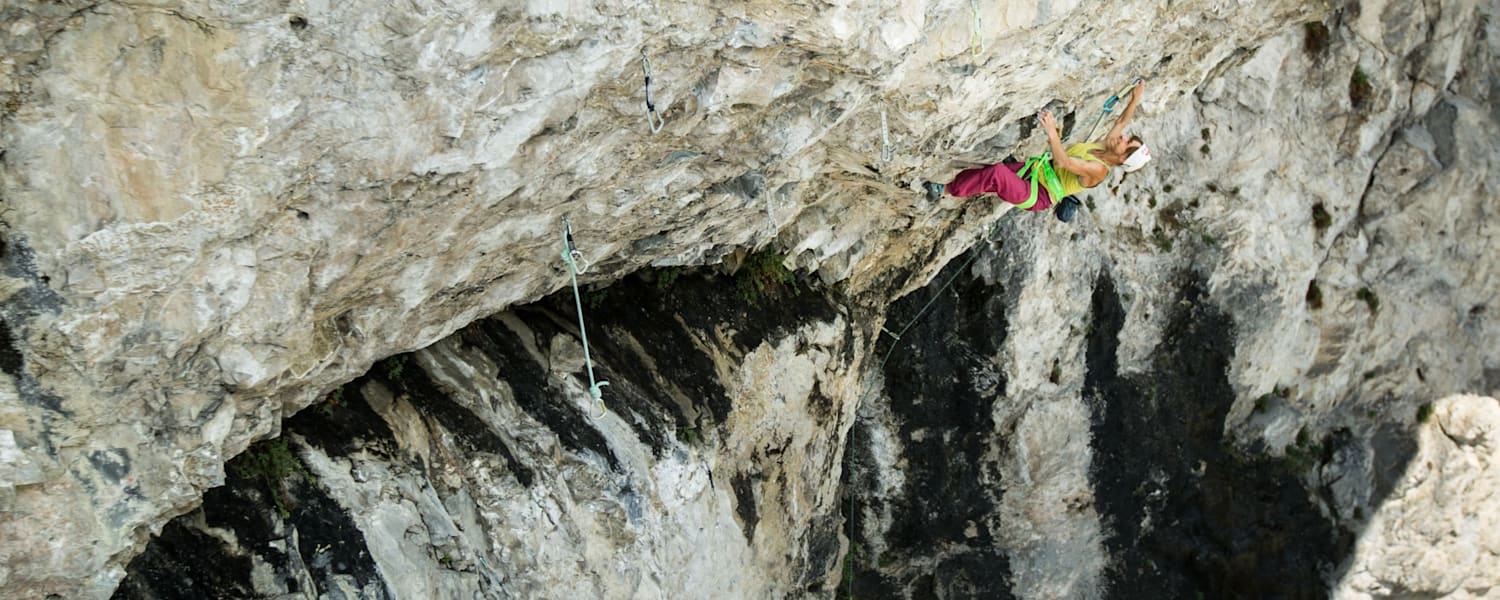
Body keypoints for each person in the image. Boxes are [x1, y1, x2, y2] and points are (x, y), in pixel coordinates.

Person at [923, 82, 1151, 221]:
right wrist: (1135, 97)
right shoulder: (1105, 147)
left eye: (1127, 143)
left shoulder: (1099, 170)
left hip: (1038, 195)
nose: (1123, 137)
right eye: (1128, 137)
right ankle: (945, 189)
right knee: (989, 172)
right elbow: (1122, 121)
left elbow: (1063, 163)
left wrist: (1052, 133)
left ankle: (943, 190)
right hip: (1034, 171)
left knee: (997, 174)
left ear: (1122, 158)